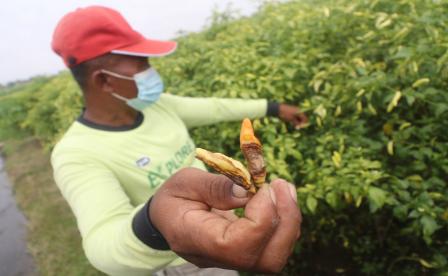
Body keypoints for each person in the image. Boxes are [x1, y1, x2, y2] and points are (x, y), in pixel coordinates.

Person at [50, 6, 305, 276]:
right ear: (105, 81)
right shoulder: (76, 153)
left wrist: (274, 108)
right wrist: (156, 222)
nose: (152, 72)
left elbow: (217, 108)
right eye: (142, 65)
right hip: (180, 264)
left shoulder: (158, 106)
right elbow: (103, 246)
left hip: (222, 233)